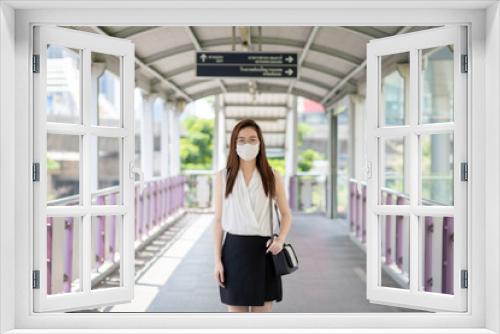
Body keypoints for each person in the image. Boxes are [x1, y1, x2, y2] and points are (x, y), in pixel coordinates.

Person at [212, 119, 292, 313]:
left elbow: (286, 213)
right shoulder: (222, 177)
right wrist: (217, 260)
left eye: (252, 139)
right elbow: (218, 220)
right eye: (241, 140)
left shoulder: (272, 176)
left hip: (263, 251)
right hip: (233, 252)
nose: (246, 144)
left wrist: (280, 240)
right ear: (234, 144)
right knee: (237, 323)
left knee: (261, 323)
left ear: (260, 143)